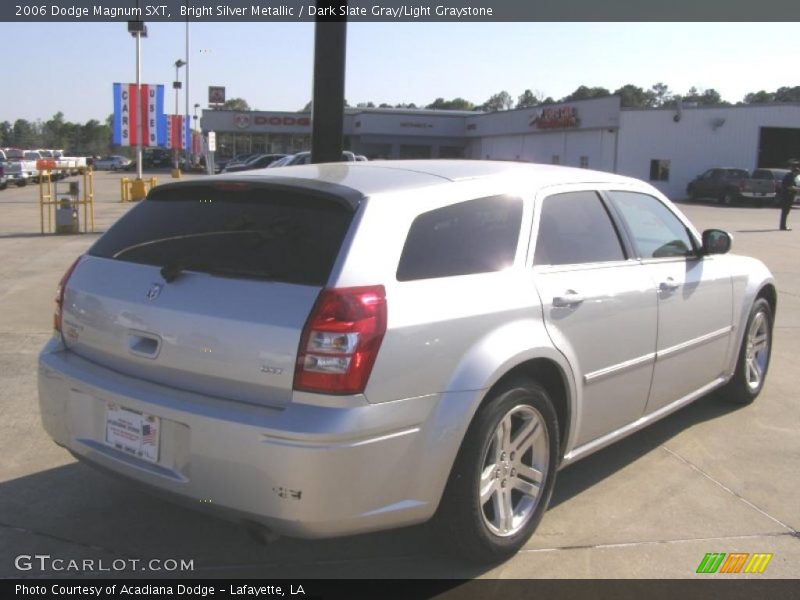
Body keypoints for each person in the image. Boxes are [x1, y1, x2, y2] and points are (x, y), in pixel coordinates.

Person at [779, 160, 800, 231]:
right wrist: (798, 189)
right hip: (786, 196)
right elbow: (789, 187)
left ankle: (783, 226)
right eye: (797, 173)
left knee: (786, 212)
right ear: (795, 172)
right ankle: (783, 226)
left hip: (789, 196)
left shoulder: (791, 177)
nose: (797, 175)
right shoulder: (789, 176)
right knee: (785, 211)